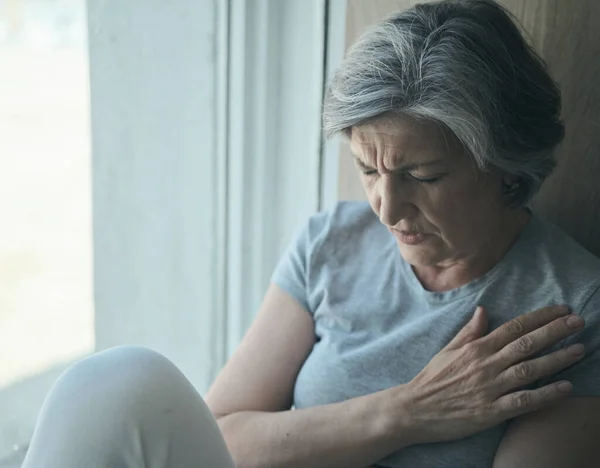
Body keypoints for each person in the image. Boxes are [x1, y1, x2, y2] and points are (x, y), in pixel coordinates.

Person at [22, 0, 600, 467]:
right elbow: (223, 438)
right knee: (115, 383)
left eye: (422, 176)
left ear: (505, 164)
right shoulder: (332, 244)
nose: (386, 207)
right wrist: (409, 411)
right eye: (369, 169)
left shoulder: (573, 306)